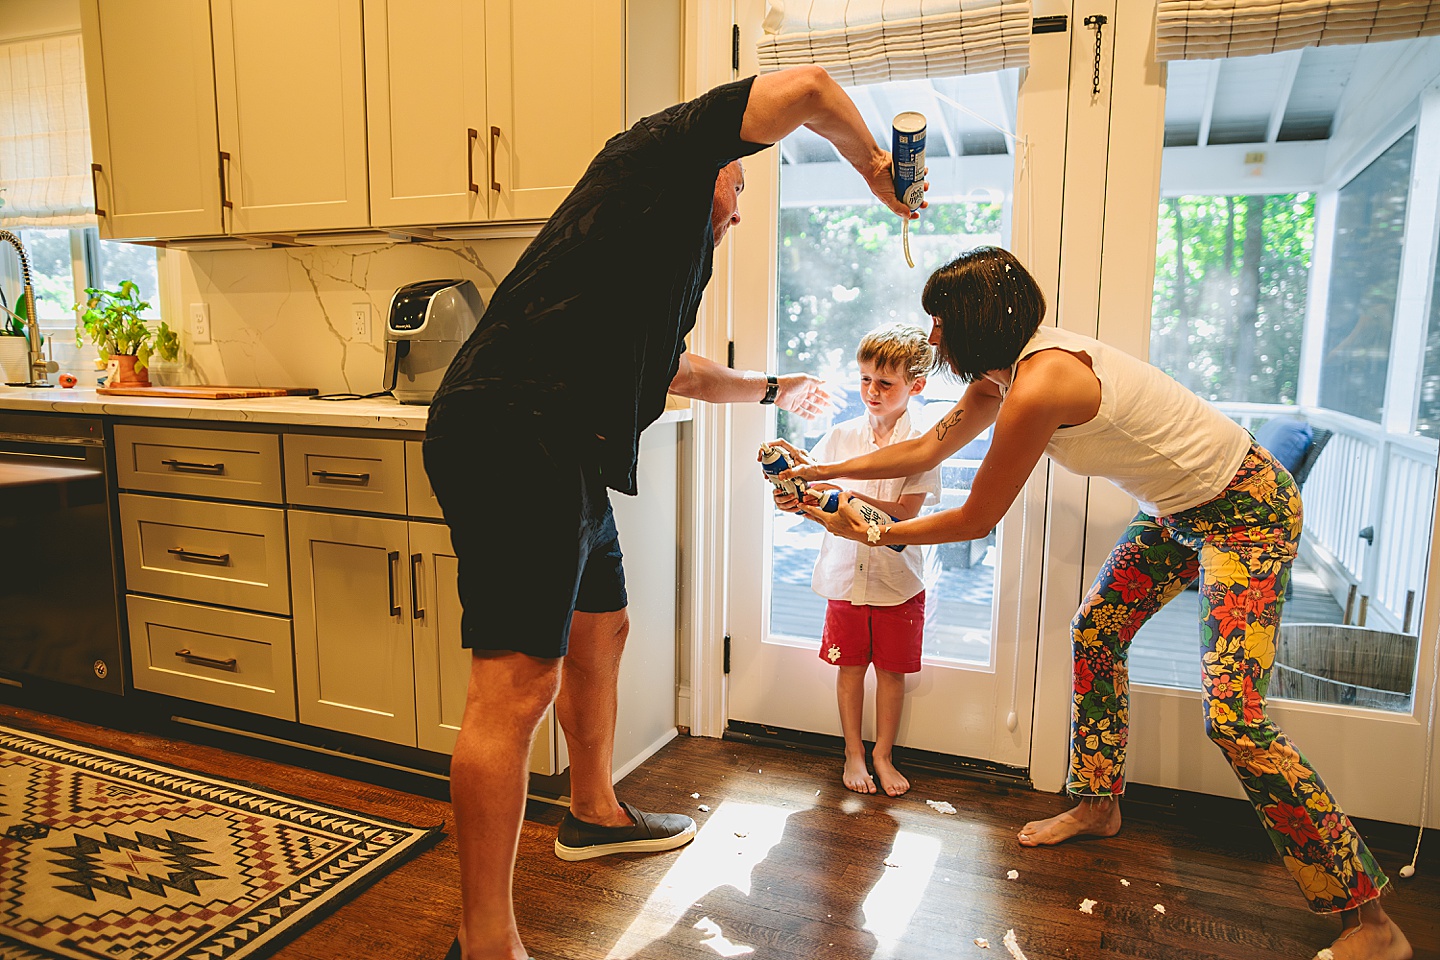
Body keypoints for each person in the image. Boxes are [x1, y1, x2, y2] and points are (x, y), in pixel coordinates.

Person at [774, 246, 1411, 960]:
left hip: (1246, 506)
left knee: (1233, 717)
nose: (933, 338)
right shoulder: (1000, 373)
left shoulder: (1044, 383)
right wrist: (821, 467)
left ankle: (1372, 923)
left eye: (940, 322)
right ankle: (1098, 804)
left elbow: (977, 519)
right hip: (1177, 508)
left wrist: (868, 527)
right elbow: (925, 449)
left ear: (978, 321)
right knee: (1096, 635)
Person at [423, 65, 918, 960]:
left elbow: (677, 372)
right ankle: (485, 940)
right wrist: (877, 167)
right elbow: (808, 89)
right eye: (740, 179)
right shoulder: (657, 158)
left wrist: (776, 386)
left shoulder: (659, 257)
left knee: (601, 624)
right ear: (718, 156)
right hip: (516, 430)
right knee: (513, 687)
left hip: (564, 446)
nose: (741, 204)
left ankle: (593, 812)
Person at [768, 323, 940, 796]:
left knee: (891, 673)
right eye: (865, 379)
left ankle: (883, 754)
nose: (872, 391)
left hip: (898, 581)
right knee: (849, 670)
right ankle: (853, 752)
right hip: (845, 577)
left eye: (885, 382)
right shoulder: (841, 436)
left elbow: (905, 515)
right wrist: (796, 500)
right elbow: (820, 501)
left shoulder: (926, 442)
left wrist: (842, 495)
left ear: (916, 385)